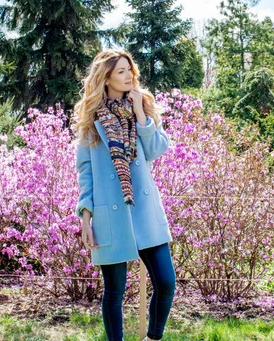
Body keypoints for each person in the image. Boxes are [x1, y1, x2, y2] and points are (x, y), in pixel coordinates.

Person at [73, 49, 176, 341]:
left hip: (143, 208)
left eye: (130, 69)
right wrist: (85, 217)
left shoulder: (142, 108)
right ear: (105, 77)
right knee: (114, 292)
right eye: (120, 71)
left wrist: (141, 113)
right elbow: (86, 174)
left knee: (166, 282)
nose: (129, 75)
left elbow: (157, 149)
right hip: (111, 212)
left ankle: (153, 339)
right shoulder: (90, 120)